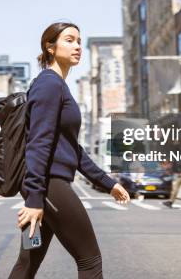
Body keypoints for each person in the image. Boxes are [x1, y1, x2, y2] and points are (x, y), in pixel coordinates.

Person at [9, 22, 130, 279]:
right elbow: (38, 142)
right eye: (69, 40)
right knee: (89, 260)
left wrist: (107, 183)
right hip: (49, 186)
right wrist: (34, 198)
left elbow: (71, 148)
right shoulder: (49, 84)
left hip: (49, 185)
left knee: (28, 263)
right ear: (50, 47)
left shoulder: (59, 86)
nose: (77, 46)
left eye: (78, 41)